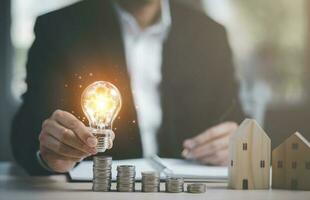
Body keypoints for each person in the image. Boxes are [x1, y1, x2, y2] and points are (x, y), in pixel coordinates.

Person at [11, 0, 244, 175]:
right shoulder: (58, 28)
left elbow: (235, 119)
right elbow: (28, 130)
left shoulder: (209, 35)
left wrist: (236, 144)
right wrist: (49, 154)